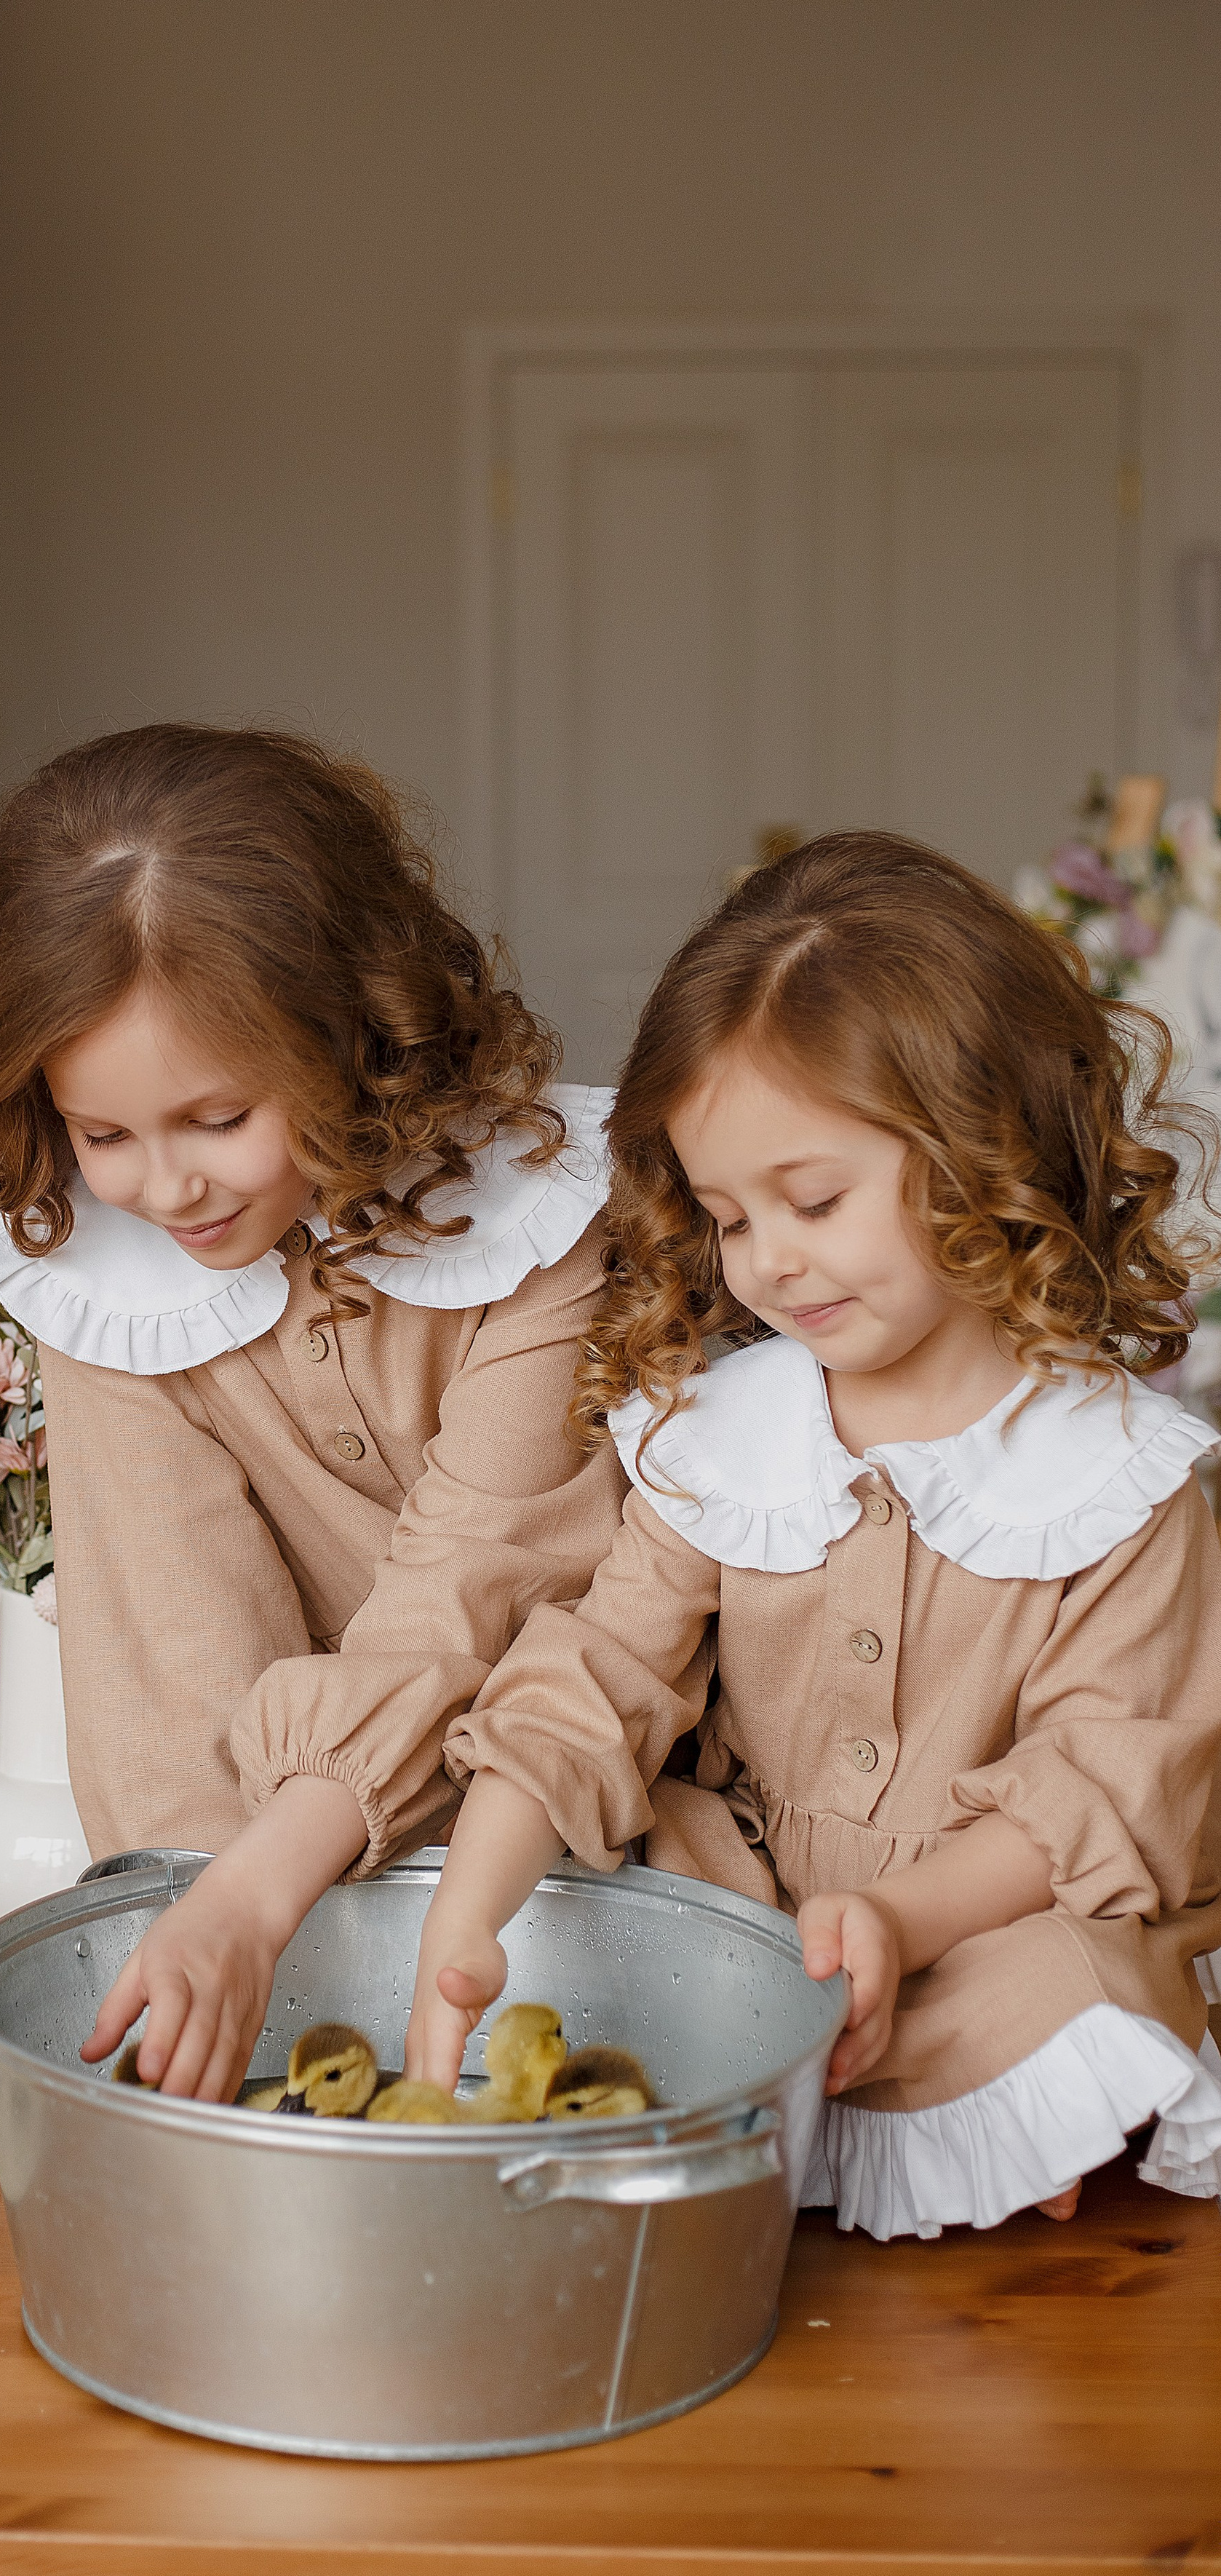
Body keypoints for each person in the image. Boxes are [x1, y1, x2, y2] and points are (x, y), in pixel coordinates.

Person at [408, 828, 1221, 2239]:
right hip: (757, 1912)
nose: (766, 1261)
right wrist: (462, 1916)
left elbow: (1099, 1788)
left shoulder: (1116, 1480)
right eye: (725, 1219)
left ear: (986, 1149)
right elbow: (593, 1680)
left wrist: (903, 1924)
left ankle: (954, 2114)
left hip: (974, 1925)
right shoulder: (721, 1436)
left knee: (1080, 1974)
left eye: (814, 1200)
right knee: (625, 1853)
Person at [0, 724, 624, 2102]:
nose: (168, 1188)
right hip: (285, 1871)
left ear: (355, 1033)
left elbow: (478, 1596)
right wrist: (209, 1932)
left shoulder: (540, 1228)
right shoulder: (105, 1282)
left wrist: (260, 1896)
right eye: (105, 1134)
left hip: (569, 1823)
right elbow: (169, 1658)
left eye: (219, 1116)